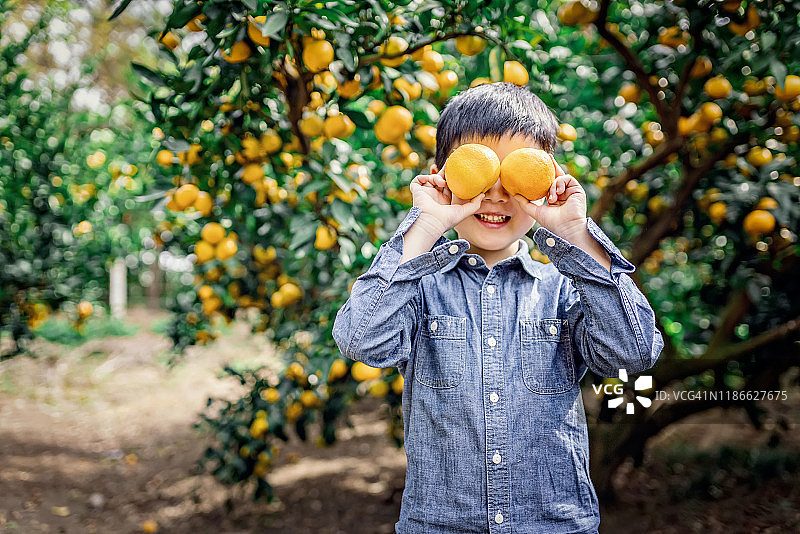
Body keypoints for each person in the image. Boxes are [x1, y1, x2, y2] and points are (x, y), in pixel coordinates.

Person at [332, 82, 664, 534]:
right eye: (481, 176)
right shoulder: (420, 290)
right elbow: (360, 337)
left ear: (546, 178)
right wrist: (427, 222)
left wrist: (576, 235)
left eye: (514, 178)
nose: (496, 196)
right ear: (443, 175)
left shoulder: (564, 291)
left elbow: (635, 351)